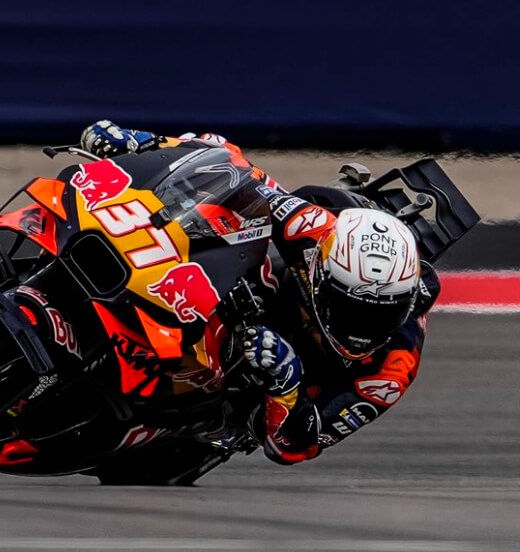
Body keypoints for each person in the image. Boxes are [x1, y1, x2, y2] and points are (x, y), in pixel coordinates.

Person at [80, 120, 440, 465]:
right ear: (321, 269)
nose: (363, 327)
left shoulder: (391, 371)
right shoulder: (311, 227)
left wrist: (287, 382)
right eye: (352, 308)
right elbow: (230, 162)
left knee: (241, 421)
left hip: (287, 378)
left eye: (382, 315)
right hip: (271, 285)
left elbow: (298, 447)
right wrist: (142, 143)